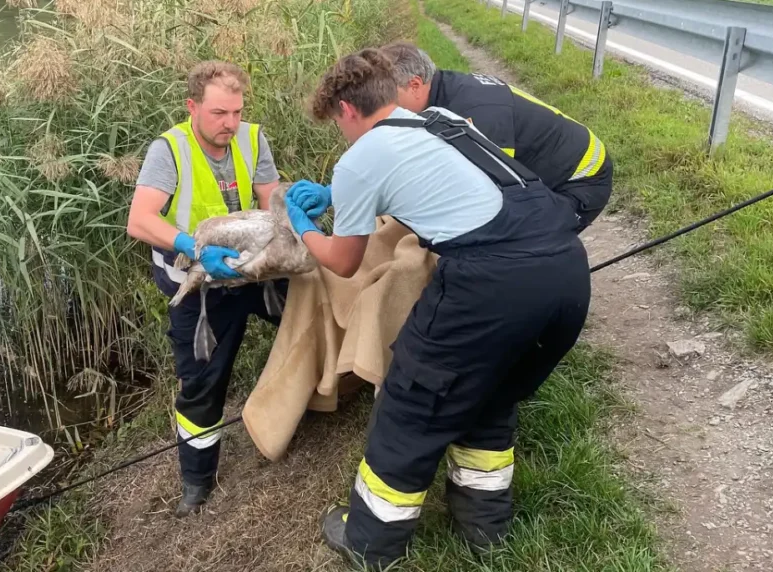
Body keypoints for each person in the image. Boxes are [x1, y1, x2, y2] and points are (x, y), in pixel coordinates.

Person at [283, 48, 592, 568]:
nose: (342, 134)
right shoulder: (442, 120)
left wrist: (303, 226)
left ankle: (370, 542)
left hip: (492, 283)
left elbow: (342, 260)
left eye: (337, 123)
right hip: (565, 270)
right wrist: (337, 193)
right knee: (491, 389)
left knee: (413, 400)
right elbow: (434, 180)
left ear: (346, 110)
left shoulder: (358, 157)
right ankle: (485, 526)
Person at [126, 60, 285, 517]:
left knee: (310, 312)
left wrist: (295, 204)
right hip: (200, 290)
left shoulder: (252, 138)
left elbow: (270, 200)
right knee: (201, 384)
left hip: (253, 275)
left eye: (236, 112)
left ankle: (320, 401)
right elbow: (140, 220)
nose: (230, 125)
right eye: (218, 114)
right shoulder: (170, 149)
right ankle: (197, 482)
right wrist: (193, 248)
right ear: (192, 106)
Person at [381, 41, 613, 233]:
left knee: (510, 241)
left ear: (415, 85)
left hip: (581, 178)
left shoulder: (475, 110)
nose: (384, 107)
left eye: (388, 97)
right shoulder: (445, 89)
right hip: (550, 163)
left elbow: (498, 192)